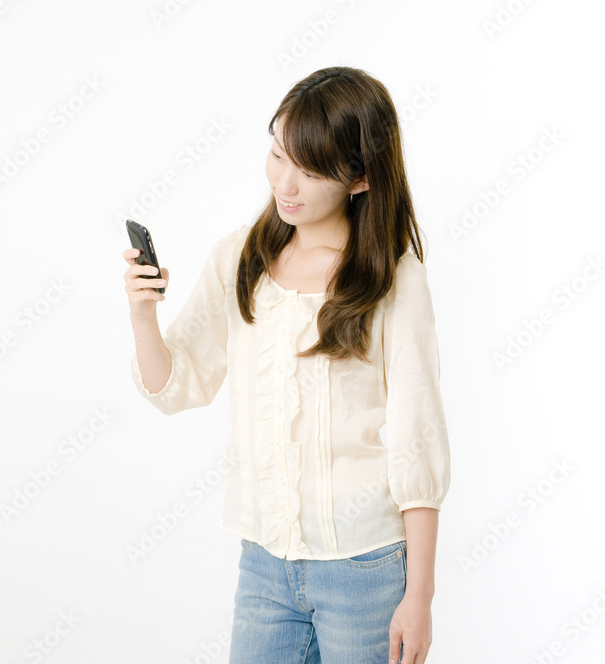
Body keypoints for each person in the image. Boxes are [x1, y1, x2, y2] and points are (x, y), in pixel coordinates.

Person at [122, 66, 450, 664]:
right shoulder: (240, 258)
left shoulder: (393, 278)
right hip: (264, 566)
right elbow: (175, 386)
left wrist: (420, 596)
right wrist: (143, 315)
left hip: (364, 568)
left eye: (311, 169)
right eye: (278, 154)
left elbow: (417, 439)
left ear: (360, 178)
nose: (285, 183)